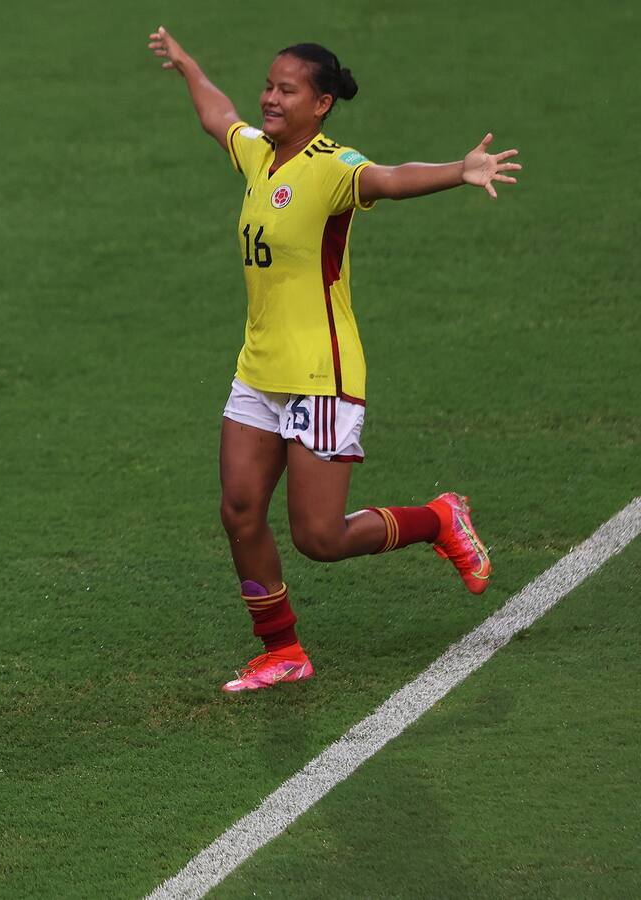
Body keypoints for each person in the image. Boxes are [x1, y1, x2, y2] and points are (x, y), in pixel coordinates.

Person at [147, 31, 521, 691]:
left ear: (320, 104)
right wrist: (188, 66)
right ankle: (281, 649)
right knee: (239, 511)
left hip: (323, 377)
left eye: (286, 90)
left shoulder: (331, 165)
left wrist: (458, 171)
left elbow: (388, 178)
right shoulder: (261, 155)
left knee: (319, 537)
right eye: (268, 85)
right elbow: (217, 117)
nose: (269, 98)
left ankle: (439, 518)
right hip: (259, 372)